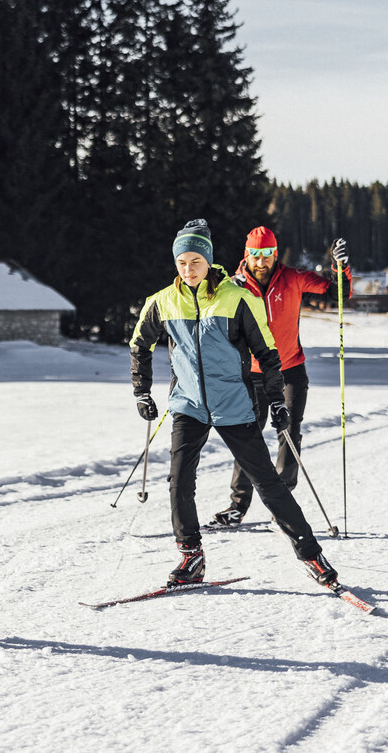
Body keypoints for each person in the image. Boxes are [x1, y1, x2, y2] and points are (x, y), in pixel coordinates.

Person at [129, 219, 337, 587]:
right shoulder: (162, 301)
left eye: (196, 261)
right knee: (179, 481)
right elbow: (139, 345)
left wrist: (277, 401)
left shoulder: (237, 298)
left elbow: (267, 354)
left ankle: (310, 554)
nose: (189, 269)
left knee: (267, 481)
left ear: (208, 261)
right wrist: (142, 390)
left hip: (234, 404)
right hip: (188, 405)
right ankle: (191, 555)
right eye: (182, 262)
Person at [210, 227, 353, 528]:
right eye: (255, 255)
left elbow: (336, 293)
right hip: (251, 372)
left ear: (275, 254)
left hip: (289, 369)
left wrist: (339, 267)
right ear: (246, 255)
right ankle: (238, 505)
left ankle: (282, 503)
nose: (261, 262)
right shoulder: (234, 285)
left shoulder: (294, 278)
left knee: (288, 431)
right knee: (248, 435)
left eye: (267, 255)